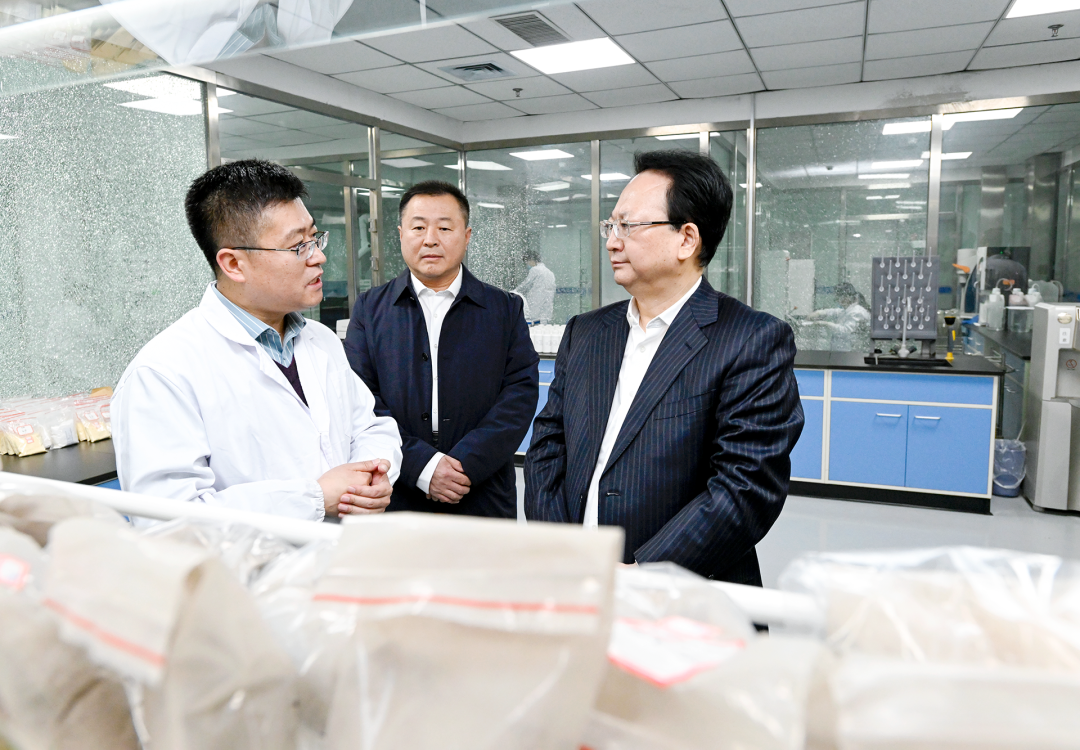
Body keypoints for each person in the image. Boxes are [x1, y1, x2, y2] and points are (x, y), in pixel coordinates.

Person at [525, 150, 804, 586]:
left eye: (629, 226)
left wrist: (644, 573)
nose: (612, 241)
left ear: (686, 239)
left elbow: (745, 486)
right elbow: (547, 445)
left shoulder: (751, 340)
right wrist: (563, 550)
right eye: (610, 226)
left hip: (682, 595)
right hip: (577, 584)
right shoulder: (587, 332)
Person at [112, 159, 402, 522]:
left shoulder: (321, 340)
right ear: (233, 264)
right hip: (257, 562)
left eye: (314, 238)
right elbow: (166, 522)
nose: (319, 256)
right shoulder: (163, 372)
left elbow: (369, 426)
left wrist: (372, 474)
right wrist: (312, 499)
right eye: (298, 246)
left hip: (346, 550)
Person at [345, 181, 538, 518]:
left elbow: (519, 395)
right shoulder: (370, 309)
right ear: (401, 234)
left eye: (445, 228)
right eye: (418, 227)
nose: (430, 239)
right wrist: (423, 466)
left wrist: (465, 465)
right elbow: (360, 398)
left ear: (466, 235)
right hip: (396, 492)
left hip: (482, 492)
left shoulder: (504, 309)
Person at [804, 282, 871, 352]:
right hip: (843, 352)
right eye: (838, 297)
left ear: (848, 296)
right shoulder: (848, 310)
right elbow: (835, 312)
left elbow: (845, 331)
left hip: (850, 353)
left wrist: (825, 324)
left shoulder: (857, 312)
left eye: (841, 297)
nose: (839, 300)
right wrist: (819, 312)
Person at [513, 249, 556, 324]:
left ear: (532, 260)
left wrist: (514, 292)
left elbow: (525, 285)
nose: (527, 264)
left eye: (527, 262)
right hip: (547, 307)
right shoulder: (550, 273)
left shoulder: (535, 270)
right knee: (543, 325)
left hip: (536, 304)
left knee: (534, 324)